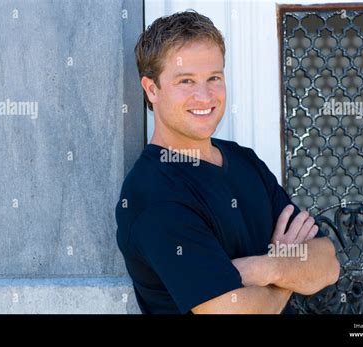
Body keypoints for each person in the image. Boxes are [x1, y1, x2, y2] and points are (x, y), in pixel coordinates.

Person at [116, 10, 340, 314]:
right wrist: (288, 271)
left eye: (214, 78)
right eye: (186, 81)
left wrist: (263, 268)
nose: (204, 95)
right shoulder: (154, 195)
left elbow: (327, 264)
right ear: (151, 89)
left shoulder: (243, 161)